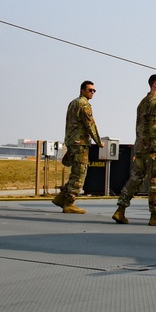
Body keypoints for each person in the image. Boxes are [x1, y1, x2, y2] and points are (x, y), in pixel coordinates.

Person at [112, 74, 156, 226]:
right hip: (152, 149)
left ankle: (120, 209)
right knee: (155, 180)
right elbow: (155, 126)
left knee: (135, 179)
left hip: (140, 147)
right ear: (154, 84)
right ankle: (155, 215)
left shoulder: (142, 103)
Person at [53, 80, 103, 214]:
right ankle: (69, 203)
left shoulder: (73, 103)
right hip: (80, 143)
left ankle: (61, 197)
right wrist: (99, 142)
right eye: (89, 90)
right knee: (80, 173)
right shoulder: (84, 104)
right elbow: (90, 125)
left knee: (75, 171)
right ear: (82, 90)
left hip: (71, 142)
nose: (92, 92)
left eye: (94, 90)